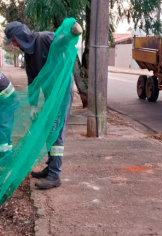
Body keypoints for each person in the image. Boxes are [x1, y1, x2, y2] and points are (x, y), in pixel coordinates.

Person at [4, 21, 82, 189]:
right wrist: (32, 106)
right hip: (50, 96)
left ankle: (55, 175)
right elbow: (33, 82)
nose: (15, 45)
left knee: (56, 130)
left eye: (14, 41)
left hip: (61, 93)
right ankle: (50, 167)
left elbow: (61, 43)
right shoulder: (28, 56)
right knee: (48, 130)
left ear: (20, 36)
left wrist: (72, 34)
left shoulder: (44, 39)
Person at [0, 71, 19, 159]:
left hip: (8, 101)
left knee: (2, 128)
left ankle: (4, 156)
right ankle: (8, 154)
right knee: (6, 128)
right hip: (9, 99)